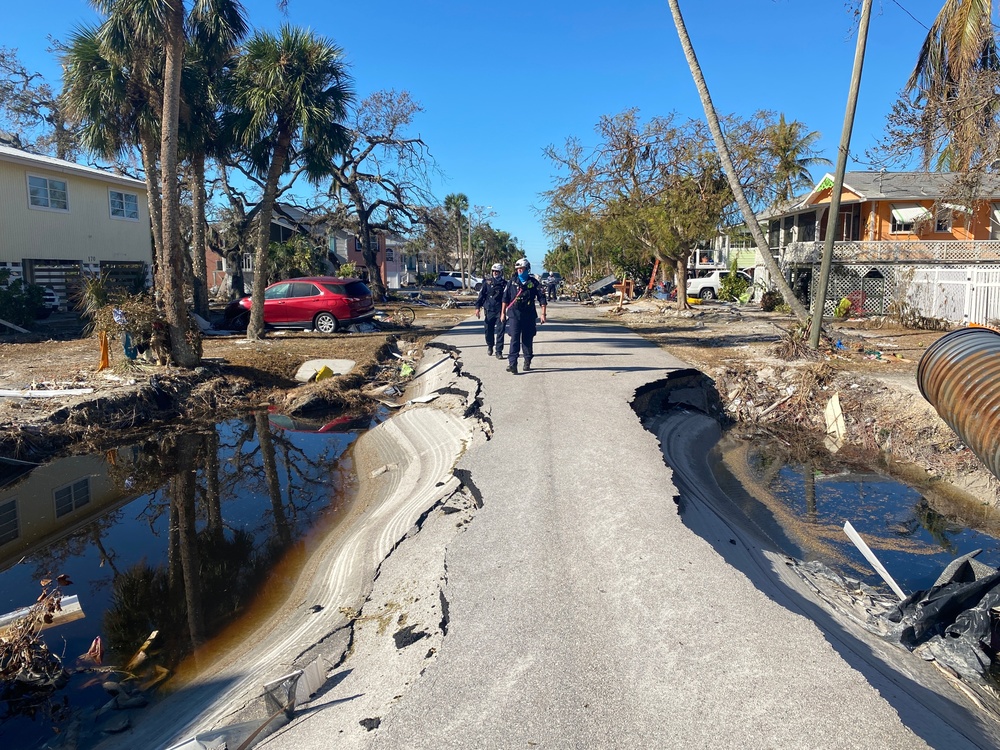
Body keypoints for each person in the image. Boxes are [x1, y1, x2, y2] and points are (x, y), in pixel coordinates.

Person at [500, 258, 546, 374]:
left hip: (529, 316)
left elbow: (542, 298)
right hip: (514, 315)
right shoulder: (512, 282)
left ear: (527, 269)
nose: (520, 271)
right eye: (518, 269)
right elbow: (505, 298)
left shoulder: (534, 283)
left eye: (522, 269)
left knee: (527, 339)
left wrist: (543, 314)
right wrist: (502, 313)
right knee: (514, 339)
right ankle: (512, 364)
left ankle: (527, 360)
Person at [475, 262, 507, 358]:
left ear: (501, 272)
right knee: (488, 330)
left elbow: (508, 298)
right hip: (489, 309)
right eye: (493, 271)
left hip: (500, 310)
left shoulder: (505, 284)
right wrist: (477, 307)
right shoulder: (487, 282)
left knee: (500, 331)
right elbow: (481, 295)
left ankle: (499, 351)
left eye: (497, 271)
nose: (495, 273)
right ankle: (490, 345)